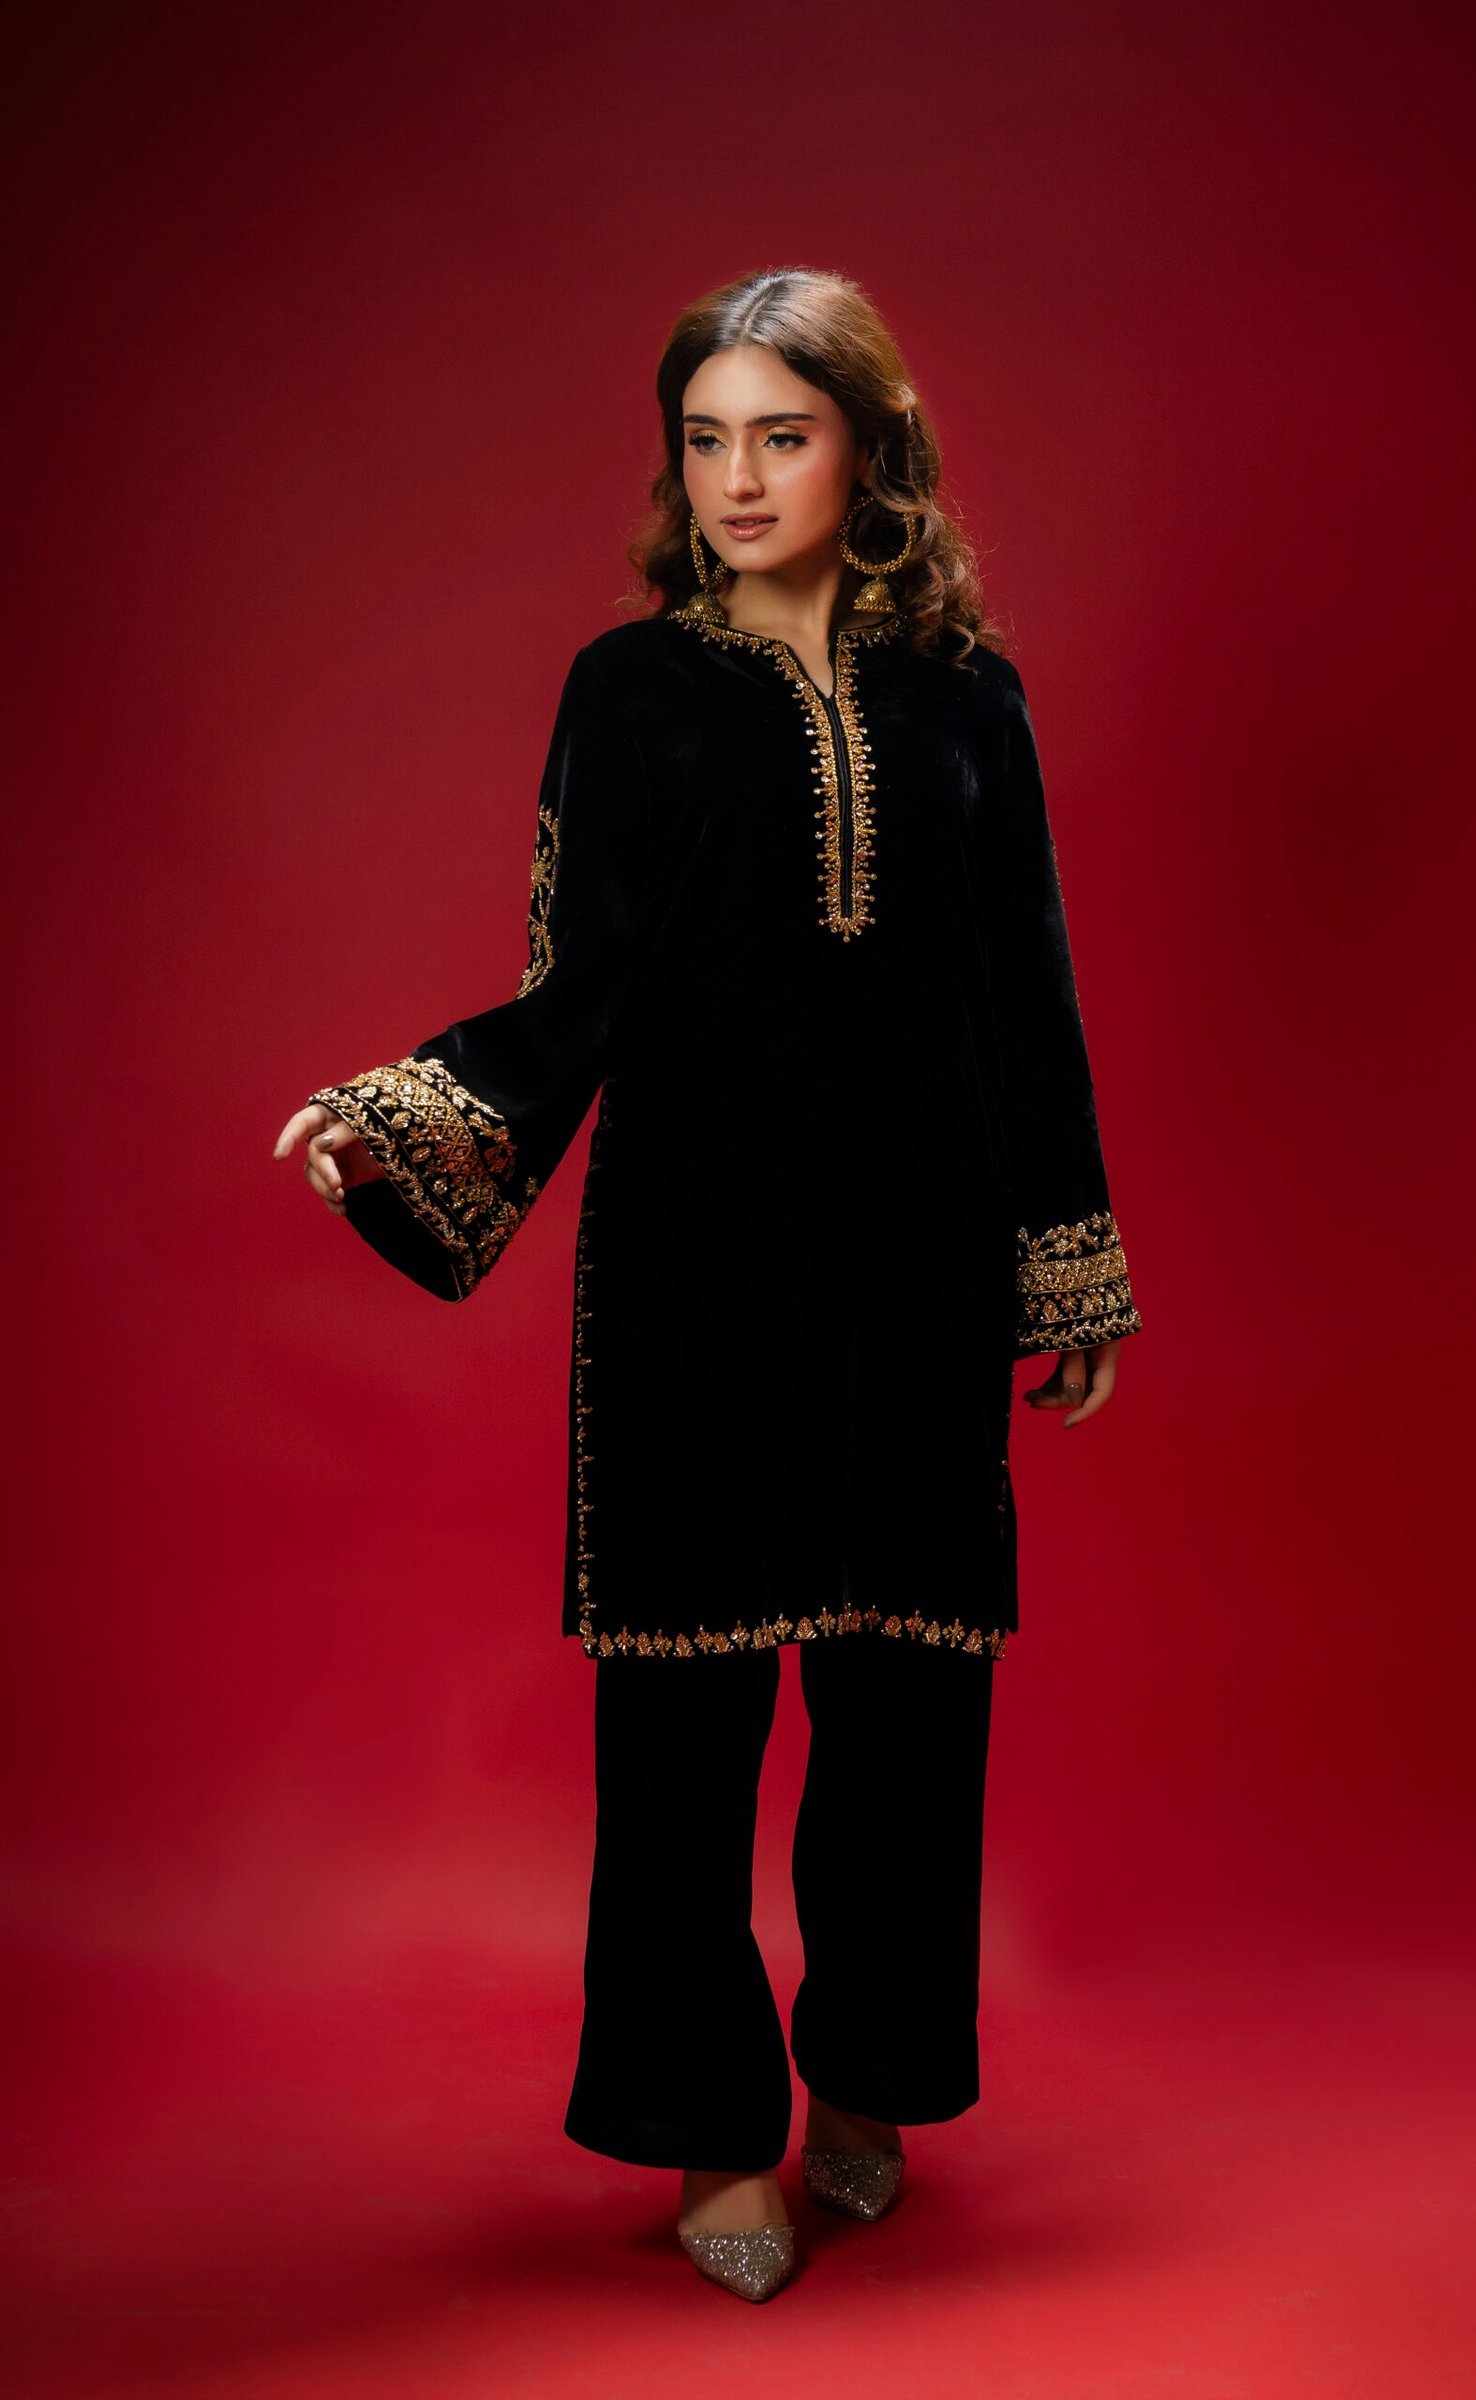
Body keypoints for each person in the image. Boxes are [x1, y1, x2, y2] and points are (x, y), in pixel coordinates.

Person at [272, 265, 1144, 2304]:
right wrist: (410, 1114)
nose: (739, 478)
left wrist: (1068, 1265)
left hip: (921, 1261)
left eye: (783, 434)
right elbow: (577, 978)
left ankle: (868, 2075)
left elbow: (1027, 986)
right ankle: (711, 2126)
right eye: (706, 438)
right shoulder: (631, 690)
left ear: (870, 449)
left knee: (908, 1705)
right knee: (681, 1717)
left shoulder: (966, 698)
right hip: (696, 1257)